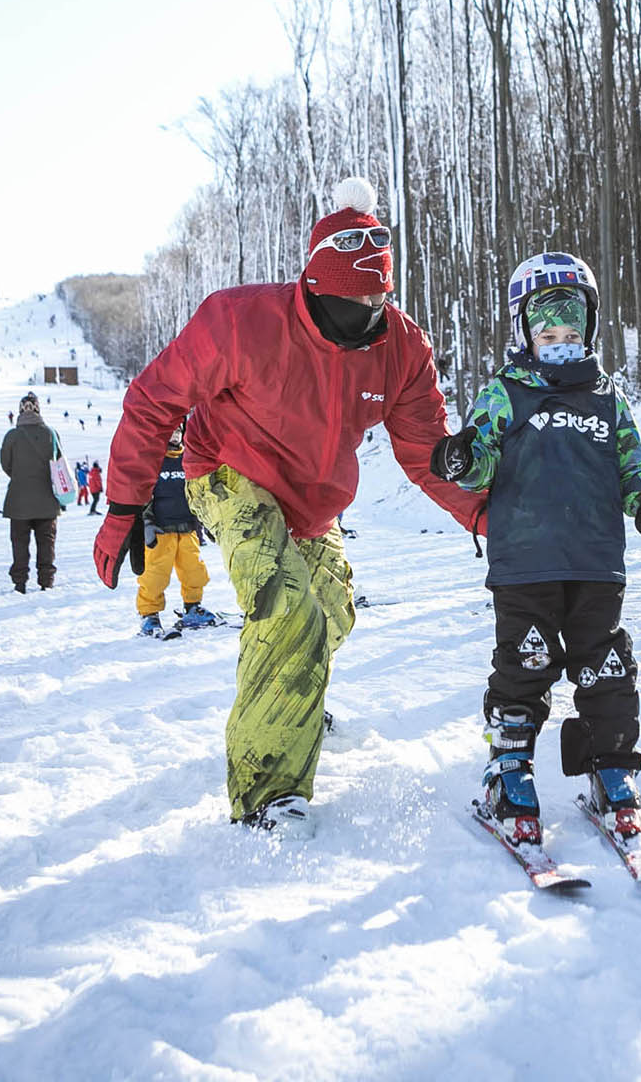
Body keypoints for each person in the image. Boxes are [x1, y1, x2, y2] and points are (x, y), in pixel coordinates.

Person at [94, 177, 484, 834]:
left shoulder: (401, 347)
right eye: (359, 299)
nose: (373, 312)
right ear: (320, 288)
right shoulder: (240, 321)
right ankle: (266, 794)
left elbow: (426, 449)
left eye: (381, 296)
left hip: (313, 501)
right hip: (227, 475)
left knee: (330, 612)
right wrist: (123, 507)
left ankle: (289, 694)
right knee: (287, 610)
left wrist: (486, 513)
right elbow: (152, 399)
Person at [429, 251, 641, 850]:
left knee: (606, 665)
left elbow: (630, 470)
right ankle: (510, 777)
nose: (563, 344)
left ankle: (612, 771)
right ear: (525, 332)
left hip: (597, 563)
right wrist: (461, 458)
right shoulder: (503, 395)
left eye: (573, 334)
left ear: (589, 333)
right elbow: (479, 462)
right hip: (525, 565)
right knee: (525, 667)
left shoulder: (607, 398)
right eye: (549, 334)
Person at [133, 423, 216, 636]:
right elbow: (141, 495)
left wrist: (207, 520)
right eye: (171, 431)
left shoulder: (188, 459)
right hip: (161, 529)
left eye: (179, 431)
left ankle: (192, 608)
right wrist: (147, 523)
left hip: (187, 528)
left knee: (194, 571)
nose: (175, 435)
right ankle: (149, 615)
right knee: (155, 575)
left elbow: (198, 492)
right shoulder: (153, 460)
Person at [0, 391, 63, 592]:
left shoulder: (11, 436)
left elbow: (6, 465)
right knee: (46, 542)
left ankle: (20, 581)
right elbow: (59, 462)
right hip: (47, 499)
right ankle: (46, 580)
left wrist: (20, 476)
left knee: (19, 543)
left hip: (18, 500)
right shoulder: (51, 434)